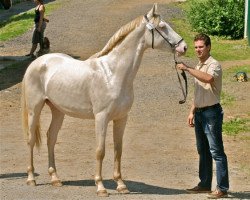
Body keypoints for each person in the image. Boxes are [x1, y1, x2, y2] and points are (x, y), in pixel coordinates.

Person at [177, 33, 229, 199]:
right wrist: (192, 110)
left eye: (201, 47)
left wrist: (187, 69)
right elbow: (198, 92)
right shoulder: (198, 66)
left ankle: (222, 187)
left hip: (212, 113)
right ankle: (205, 184)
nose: (198, 50)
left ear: (209, 47)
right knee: (203, 150)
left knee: (216, 151)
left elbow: (208, 79)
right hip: (200, 112)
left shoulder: (214, 65)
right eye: (196, 47)